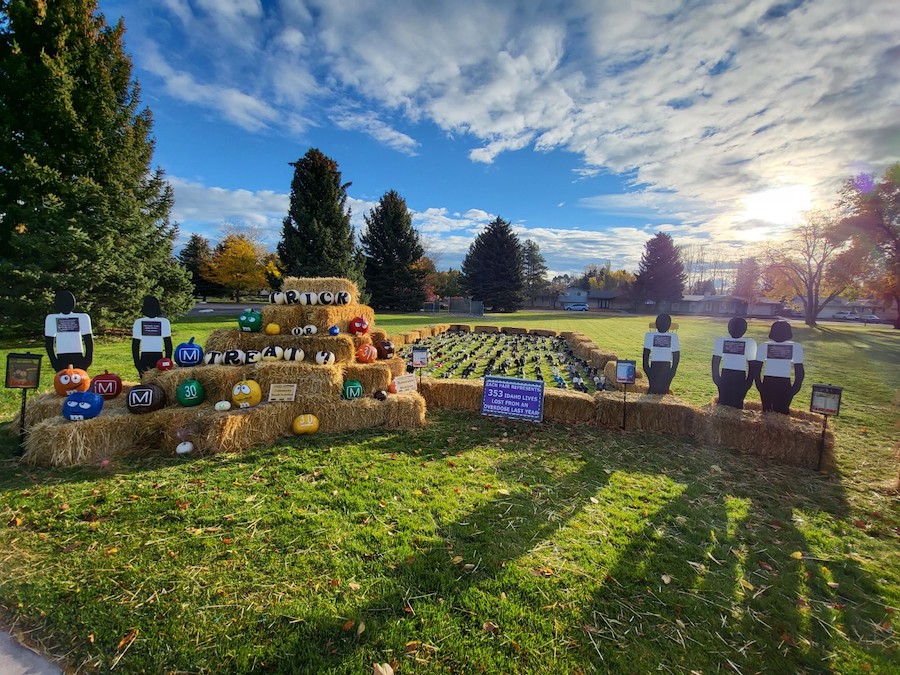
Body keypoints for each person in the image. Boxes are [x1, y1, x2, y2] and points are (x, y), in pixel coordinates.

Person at [754, 320, 804, 414]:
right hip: (773, 382)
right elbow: (799, 371)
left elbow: (756, 369)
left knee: (779, 411)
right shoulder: (764, 346)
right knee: (769, 411)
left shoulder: (795, 347)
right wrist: (759, 385)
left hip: (777, 383)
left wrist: (795, 388)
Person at [712, 317, 758, 409]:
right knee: (723, 402)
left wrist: (748, 382)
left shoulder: (750, 343)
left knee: (737, 402)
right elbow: (715, 360)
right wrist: (716, 378)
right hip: (726, 376)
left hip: (739, 377)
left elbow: (752, 364)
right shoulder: (721, 341)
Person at [44, 290, 93, 371]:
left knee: (79, 378)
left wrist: (88, 358)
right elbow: (49, 343)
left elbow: (88, 340)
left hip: (78, 357)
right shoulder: (51, 319)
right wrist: (54, 361)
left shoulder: (83, 318)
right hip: (62, 358)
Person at [132, 296, 172, 376]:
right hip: (158, 357)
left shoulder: (138, 322)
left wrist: (137, 362)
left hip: (145, 357)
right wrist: (167, 360)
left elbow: (135, 345)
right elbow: (168, 344)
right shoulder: (164, 322)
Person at [643, 313, 680, 395]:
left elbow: (676, 355)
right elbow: (645, 354)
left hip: (665, 367)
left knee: (663, 391)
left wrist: (672, 371)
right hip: (655, 366)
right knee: (653, 390)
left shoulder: (674, 337)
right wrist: (647, 369)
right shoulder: (649, 335)